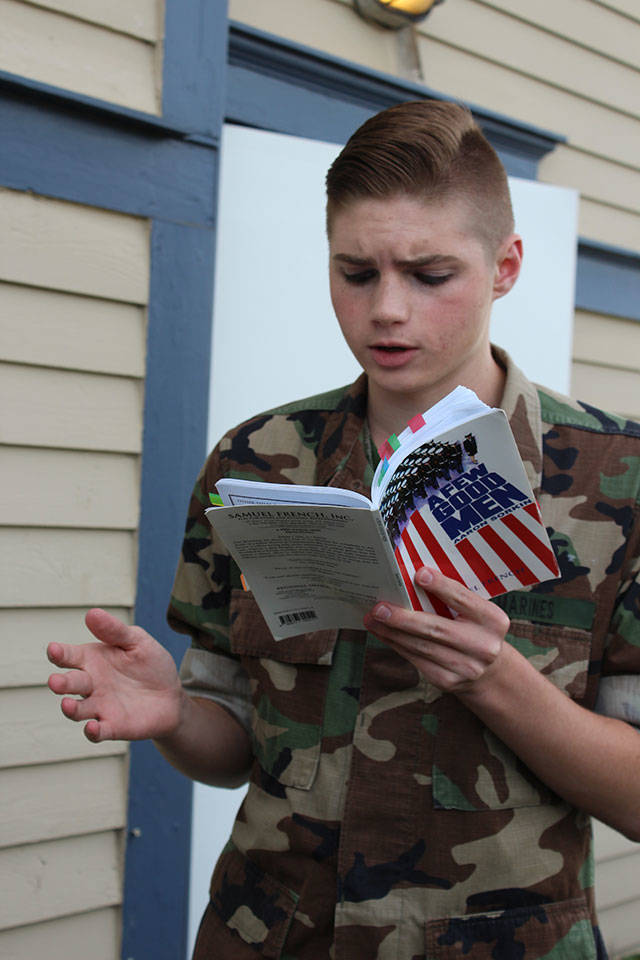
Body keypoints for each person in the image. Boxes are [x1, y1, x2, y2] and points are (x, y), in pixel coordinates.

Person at [47, 100, 640, 960]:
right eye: (355, 272)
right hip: (269, 934)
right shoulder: (256, 460)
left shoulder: (617, 477)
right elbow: (233, 740)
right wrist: (175, 715)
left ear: (506, 266)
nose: (387, 310)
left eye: (430, 275)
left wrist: (494, 678)